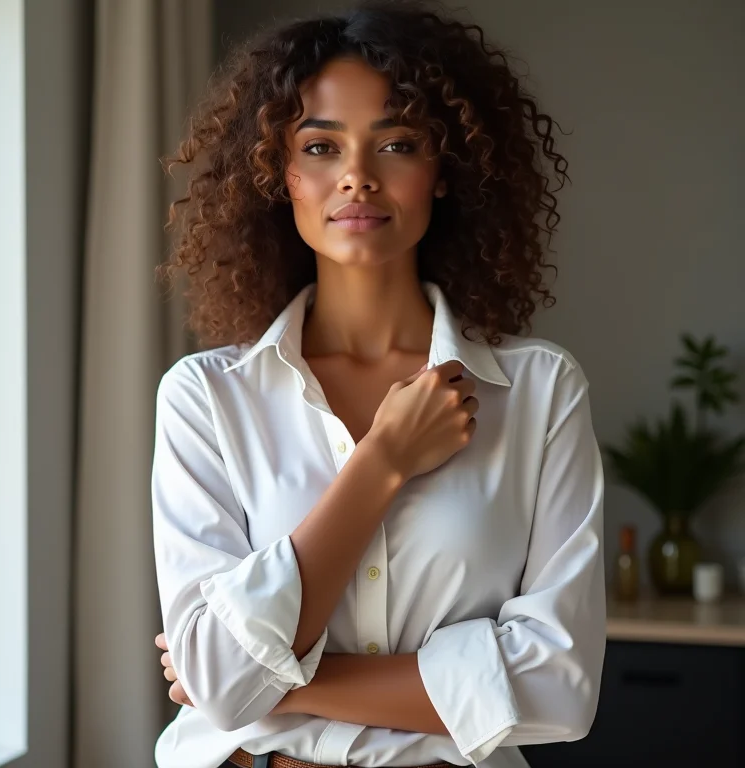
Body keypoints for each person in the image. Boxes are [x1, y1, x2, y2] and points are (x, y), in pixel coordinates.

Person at [150, 2, 606, 767]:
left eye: (396, 144)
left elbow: (559, 690)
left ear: (444, 170)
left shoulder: (540, 391)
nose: (357, 176)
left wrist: (270, 682)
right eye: (320, 146)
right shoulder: (205, 398)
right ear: (280, 175)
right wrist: (383, 461)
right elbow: (220, 679)